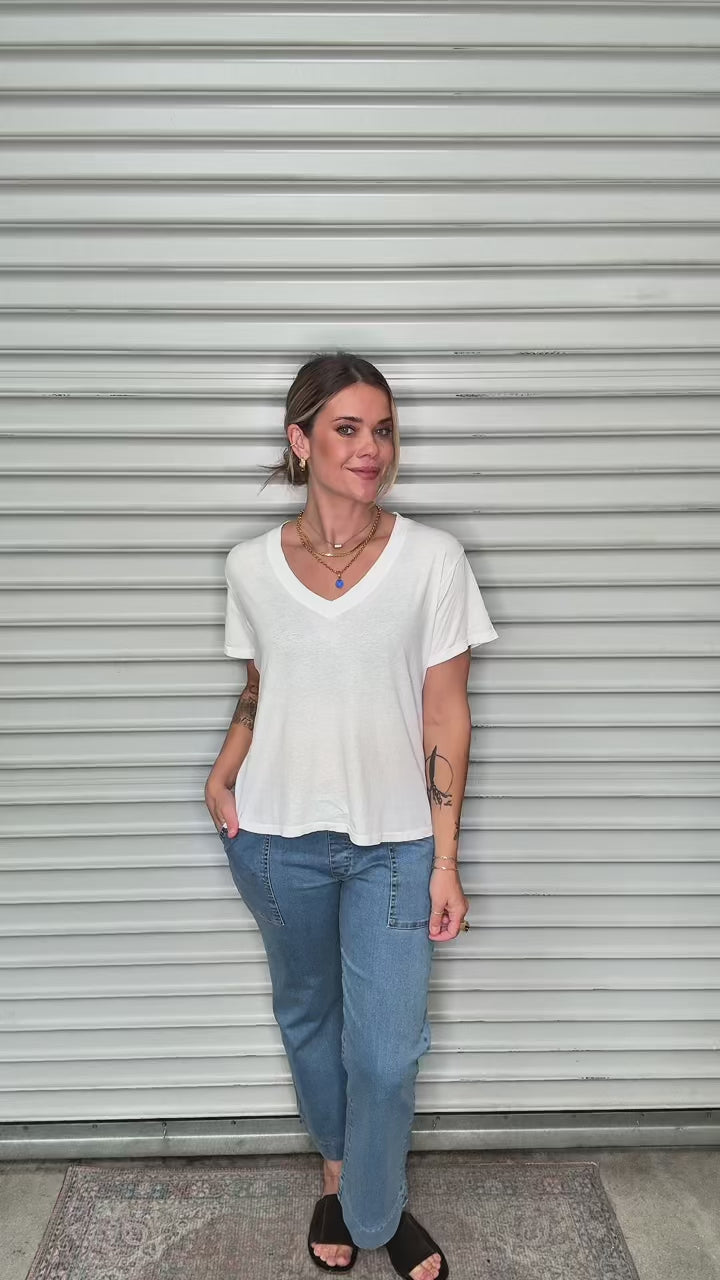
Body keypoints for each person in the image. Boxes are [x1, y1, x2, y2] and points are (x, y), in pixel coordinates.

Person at [204, 351, 498, 1278]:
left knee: (385, 1053)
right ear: (301, 442)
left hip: (397, 848)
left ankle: (374, 1208)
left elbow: (446, 712)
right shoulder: (250, 567)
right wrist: (225, 768)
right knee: (307, 1020)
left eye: (383, 430)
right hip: (274, 838)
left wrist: (444, 860)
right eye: (347, 428)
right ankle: (339, 1174)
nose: (371, 447)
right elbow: (263, 684)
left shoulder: (432, 560)